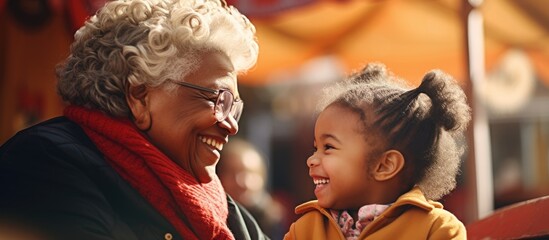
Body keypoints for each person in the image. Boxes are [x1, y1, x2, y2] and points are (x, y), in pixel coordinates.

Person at [0, 0, 267, 239]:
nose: (231, 125)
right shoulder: (45, 163)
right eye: (217, 99)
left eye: (233, 108)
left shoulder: (224, 208)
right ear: (140, 98)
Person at [284, 63, 471, 239]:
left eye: (329, 147)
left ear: (385, 165)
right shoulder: (304, 230)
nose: (311, 160)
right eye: (316, 148)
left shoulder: (437, 228)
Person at [217, 138, 291, 239]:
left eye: (251, 173)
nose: (243, 183)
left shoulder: (276, 221)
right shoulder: (214, 220)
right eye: (232, 173)